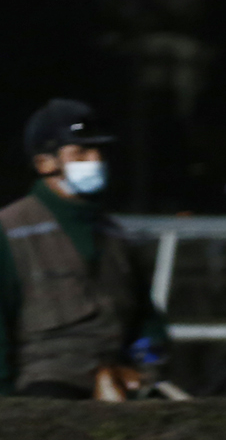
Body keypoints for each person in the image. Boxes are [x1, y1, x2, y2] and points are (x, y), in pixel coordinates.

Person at [1, 100, 170, 399]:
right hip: (47, 380)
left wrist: (148, 363)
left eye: (99, 151)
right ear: (45, 163)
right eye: (81, 152)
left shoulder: (115, 235)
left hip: (119, 376)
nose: (96, 159)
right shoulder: (10, 230)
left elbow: (146, 319)